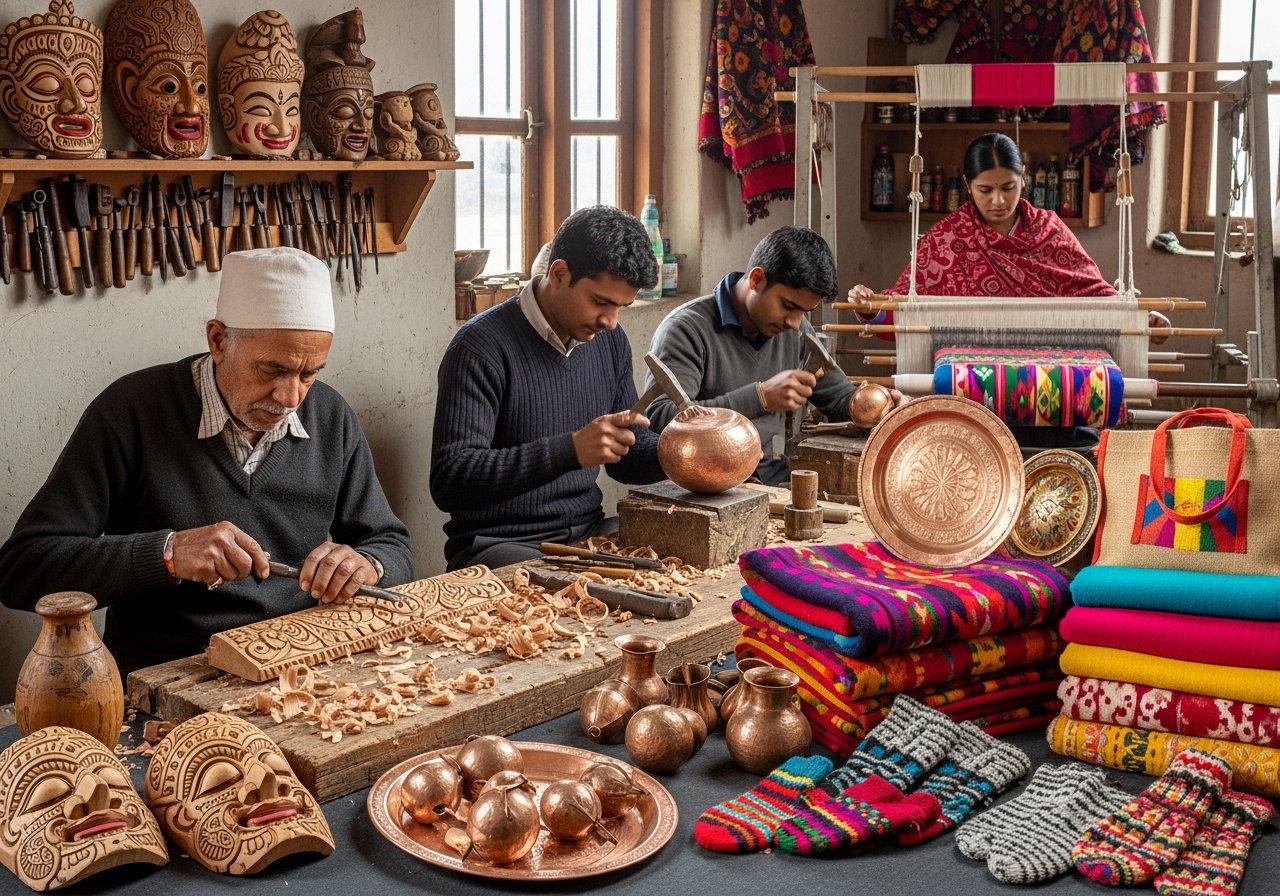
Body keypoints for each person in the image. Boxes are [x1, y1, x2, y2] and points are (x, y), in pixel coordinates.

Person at [0, 247, 414, 674]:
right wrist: (167, 553)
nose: (291, 398)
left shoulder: (331, 415)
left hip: (302, 666)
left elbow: (391, 543)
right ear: (218, 340)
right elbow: (23, 570)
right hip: (170, 671)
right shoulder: (130, 412)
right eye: (272, 370)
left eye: (309, 374)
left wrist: (367, 565)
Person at [848, 132, 1167, 449]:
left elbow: (1097, 299)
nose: (998, 201)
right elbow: (908, 313)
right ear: (967, 184)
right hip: (972, 403)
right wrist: (870, 307)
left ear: (1023, 179)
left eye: (1008, 187)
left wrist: (1143, 321)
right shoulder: (948, 240)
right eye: (985, 190)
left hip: (1058, 399)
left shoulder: (1049, 231)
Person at [430, 205, 665, 572]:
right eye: (601, 302)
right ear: (559, 274)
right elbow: (451, 479)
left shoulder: (610, 340)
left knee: (672, 562)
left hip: (588, 532)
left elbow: (626, 458)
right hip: (500, 545)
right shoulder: (479, 347)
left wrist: (680, 452)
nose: (611, 321)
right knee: (591, 591)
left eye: (622, 306)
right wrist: (569, 450)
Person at [645, 226, 857, 486]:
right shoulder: (686, 329)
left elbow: (839, 400)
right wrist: (760, 398)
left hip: (774, 479)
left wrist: (871, 408)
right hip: (709, 486)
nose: (794, 322)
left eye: (805, 312)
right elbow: (661, 419)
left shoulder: (795, 329)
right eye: (789, 306)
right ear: (756, 280)